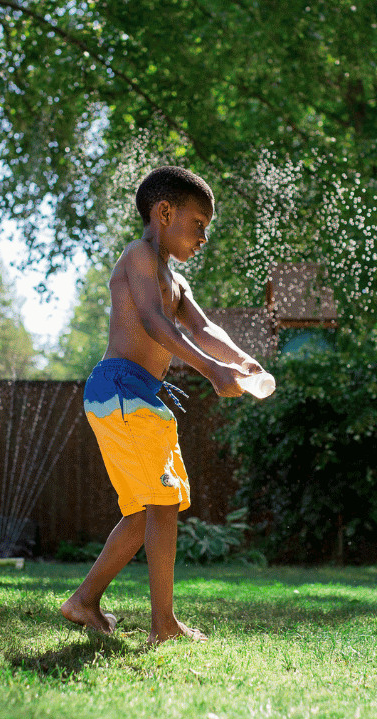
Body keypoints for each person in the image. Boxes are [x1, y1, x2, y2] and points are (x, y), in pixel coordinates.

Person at [60, 166, 264, 644]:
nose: (204, 237)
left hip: (136, 397)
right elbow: (154, 323)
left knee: (143, 512)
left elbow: (204, 329)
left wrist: (240, 360)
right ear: (165, 212)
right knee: (164, 503)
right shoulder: (138, 256)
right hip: (122, 389)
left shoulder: (176, 279)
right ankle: (164, 625)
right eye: (199, 223)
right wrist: (212, 372)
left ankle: (83, 602)